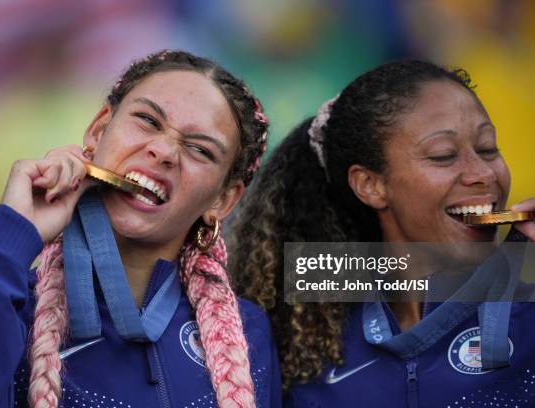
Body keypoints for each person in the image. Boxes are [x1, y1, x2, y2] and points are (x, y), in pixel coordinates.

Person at [0, 50, 281, 408]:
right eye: (147, 120)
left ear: (224, 199)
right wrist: (11, 243)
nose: (163, 151)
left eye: (200, 150)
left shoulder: (251, 334)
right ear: (97, 131)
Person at [228, 59, 535, 407]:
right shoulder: (298, 329)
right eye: (443, 155)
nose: (482, 173)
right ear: (370, 185)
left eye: (488, 148)